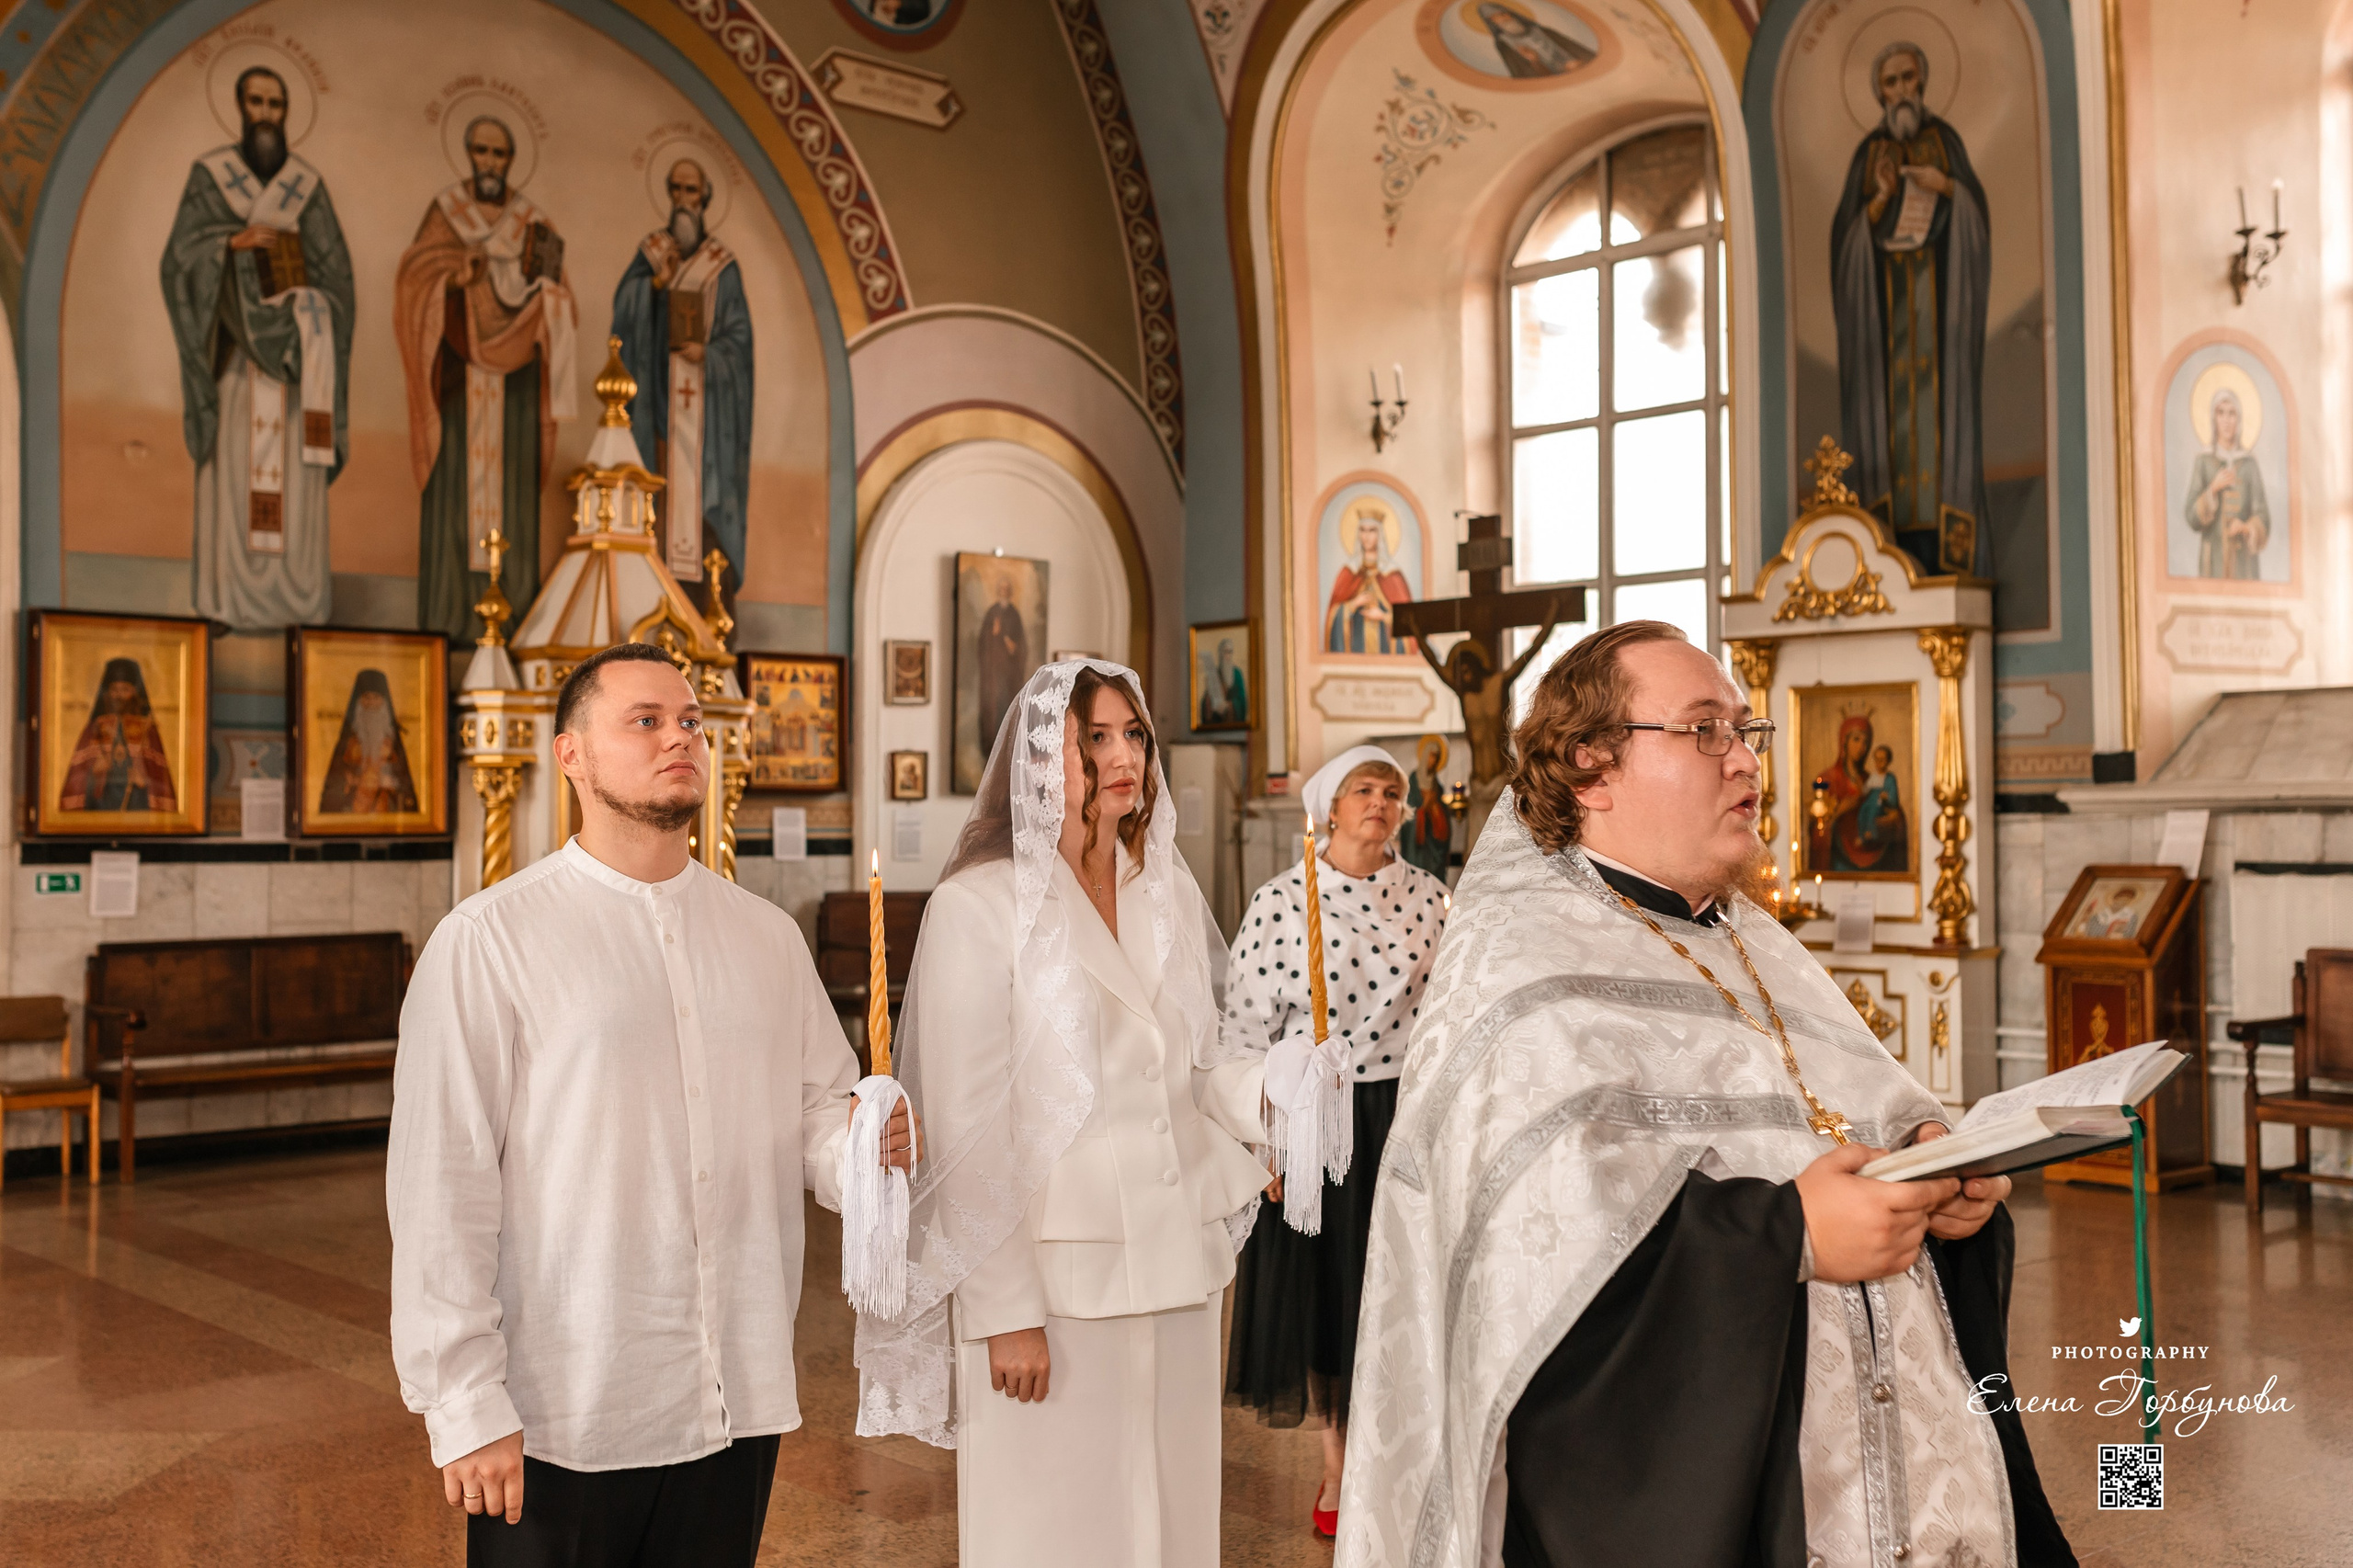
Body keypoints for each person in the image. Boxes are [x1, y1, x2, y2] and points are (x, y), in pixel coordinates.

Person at [1337, 621, 2073, 1568]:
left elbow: (1862, 1115)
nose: (1744, 759)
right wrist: (1787, 1236)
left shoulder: (1756, 942)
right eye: (1702, 730)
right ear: (1589, 768)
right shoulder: (1517, 968)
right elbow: (1534, 1266)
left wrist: (1941, 1178)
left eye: (1743, 728)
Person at [387, 642, 913, 1568]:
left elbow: (818, 1118)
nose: (679, 737)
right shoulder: (488, 941)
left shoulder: (764, 937)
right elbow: (442, 1186)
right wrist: (463, 1401)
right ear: (571, 754)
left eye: (691, 722)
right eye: (646, 720)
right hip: (568, 1401)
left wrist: (867, 1142)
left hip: (733, 1390)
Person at [851, 659, 1274, 1567]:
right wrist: (1006, 1307)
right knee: (1053, 1530)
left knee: (1173, 1512)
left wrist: (1280, 1093)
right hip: (1057, 1285)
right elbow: (966, 1126)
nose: (1124, 753)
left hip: (1177, 1262)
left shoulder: (1161, 888)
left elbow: (1197, 1071)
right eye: (1096, 737)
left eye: (1134, 734)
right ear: (1044, 758)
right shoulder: (980, 904)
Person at [1224, 744, 1449, 1539]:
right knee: (1333, 1292)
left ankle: (1407, 1453)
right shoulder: (1284, 901)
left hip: (1406, 1110)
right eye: (1364, 789)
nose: (1381, 802)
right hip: (1319, 1116)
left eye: (1393, 791)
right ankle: (1339, 1459)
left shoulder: (1430, 897)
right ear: (1329, 805)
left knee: (1405, 1284)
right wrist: (1263, 1141)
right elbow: (1245, 1027)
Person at [59, 658, 178, 813]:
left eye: (125, 690)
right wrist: (95, 773)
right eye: (114, 690)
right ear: (107, 693)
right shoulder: (96, 727)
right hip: (101, 810)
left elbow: (161, 784)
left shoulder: (147, 730)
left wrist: (144, 784)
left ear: (135, 692)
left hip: (137, 809)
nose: (119, 695)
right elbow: (78, 783)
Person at [2185, 386, 2269, 579]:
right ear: (2214, 419)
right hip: (2212, 561)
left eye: (2232, 414)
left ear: (2238, 420)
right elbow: (2191, 516)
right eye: (2221, 413)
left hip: (2244, 564)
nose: (2226, 420)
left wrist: (2246, 527)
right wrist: (2212, 490)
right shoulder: (2204, 462)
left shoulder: (2249, 464)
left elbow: (2263, 516)